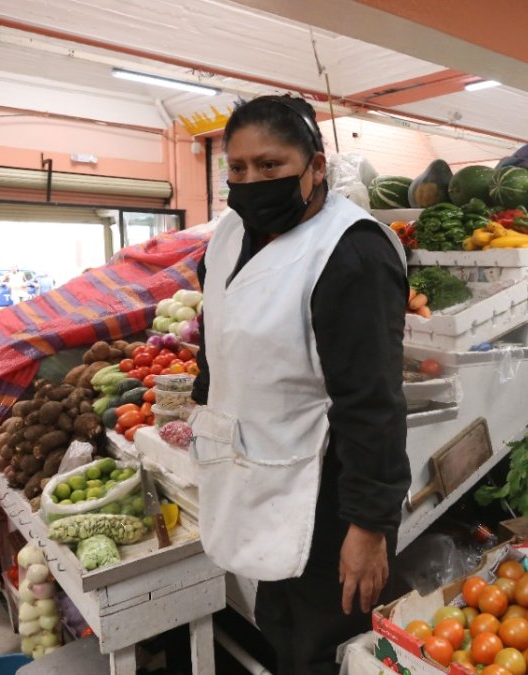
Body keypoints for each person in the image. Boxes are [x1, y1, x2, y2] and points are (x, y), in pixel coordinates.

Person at [189, 95, 410, 674]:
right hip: (253, 471)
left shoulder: (352, 253)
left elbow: (374, 403)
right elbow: (219, 333)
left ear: (316, 167)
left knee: (325, 645)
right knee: (278, 624)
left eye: (270, 166)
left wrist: (369, 524)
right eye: (237, 168)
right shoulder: (228, 237)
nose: (251, 181)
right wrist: (203, 414)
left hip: (327, 490)